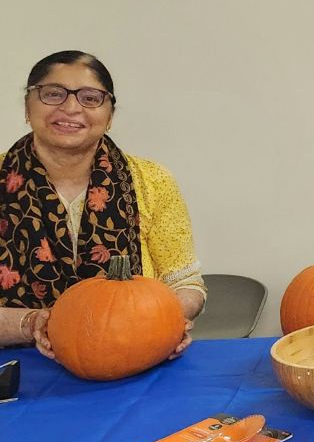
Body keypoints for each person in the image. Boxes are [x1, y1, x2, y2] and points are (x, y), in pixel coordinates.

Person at [0, 51, 202, 355]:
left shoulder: (152, 180)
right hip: (20, 371)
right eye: (53, 94)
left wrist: (165, 320)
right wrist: (31, 323)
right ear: (28, 107)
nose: (70, 108)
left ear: (109, 116)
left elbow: (186, 283)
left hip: (133, 357)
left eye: (90, 98)